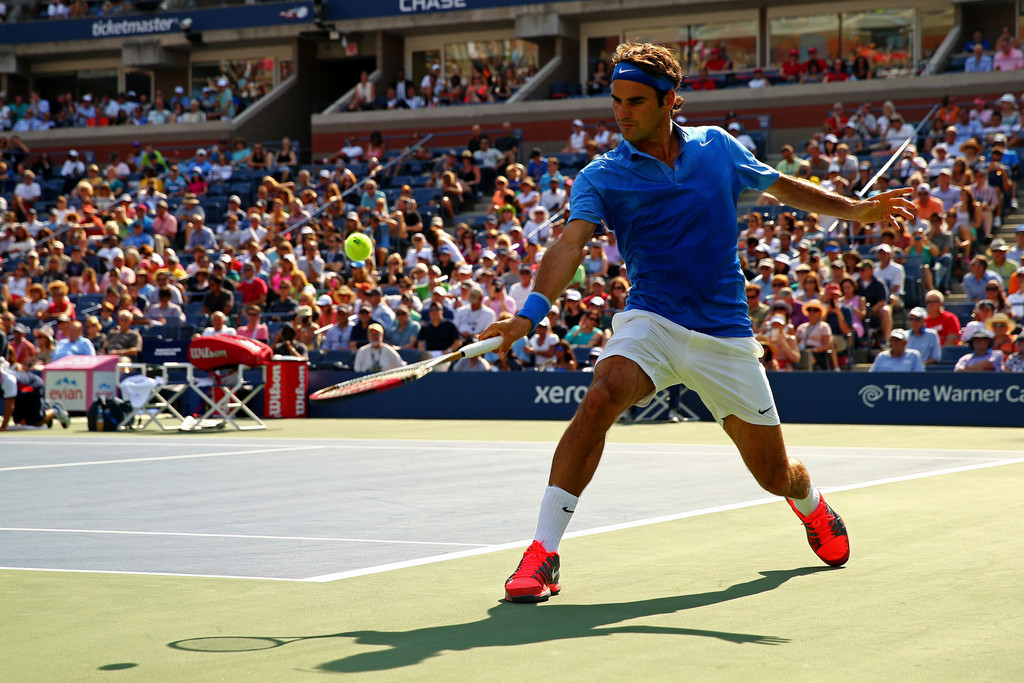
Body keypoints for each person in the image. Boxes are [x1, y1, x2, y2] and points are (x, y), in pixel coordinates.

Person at [483, 42, 913, 603]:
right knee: (601, 396)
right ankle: (543, 554)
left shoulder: (718, 149)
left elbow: (781, 186)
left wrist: (855, 210)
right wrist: (528, 315)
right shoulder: (601, 175)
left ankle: (810, 503)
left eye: (635, 101)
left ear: (671, 102)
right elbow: (568, 245)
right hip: (652, 320)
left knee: (774, 475)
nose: (622, 113)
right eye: (615, 101)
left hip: (724, 335)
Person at [2, 360, 70, 431]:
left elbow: (10, 406)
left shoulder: (7, 380)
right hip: (19, 394)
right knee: (20, 423)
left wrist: (3, 427)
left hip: (33, 386)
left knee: (34, 422)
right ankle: (45, 408)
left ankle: (56, 410)